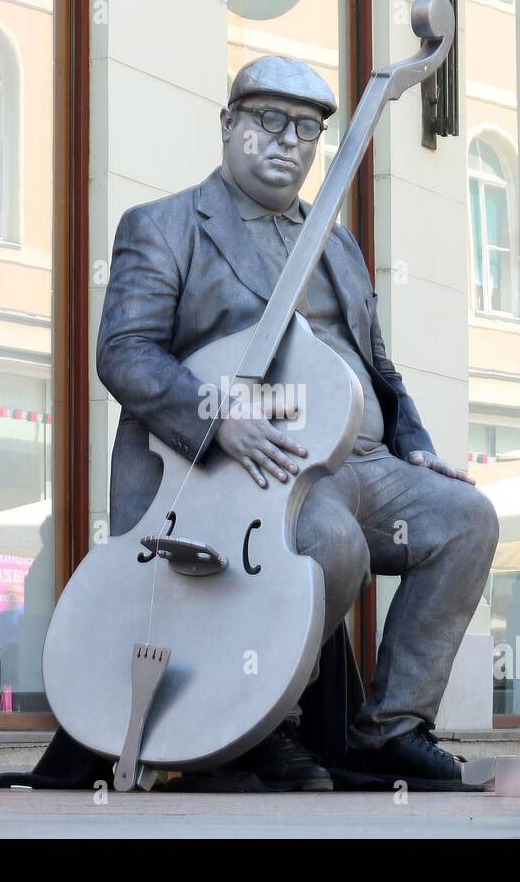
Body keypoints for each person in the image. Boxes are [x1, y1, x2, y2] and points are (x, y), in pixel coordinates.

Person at [96, 56, 499, 790]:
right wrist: (217, 420)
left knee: (468, 518)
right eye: (268, 120)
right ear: (228, 125)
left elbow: (378, 364)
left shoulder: (335, 241)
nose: (288, 141)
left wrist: (415, 444)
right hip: (258, 467)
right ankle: (266, 726)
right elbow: (124, 353)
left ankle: (391, 729)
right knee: (329, 543)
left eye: (308, 128)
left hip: (367, 461)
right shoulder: (164, 226)